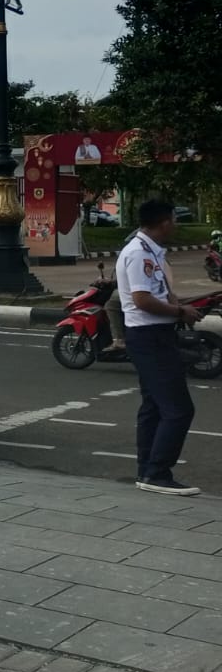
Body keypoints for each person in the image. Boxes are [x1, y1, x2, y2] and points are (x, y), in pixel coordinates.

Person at [116, 200, 202, 496]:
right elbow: (142, 299)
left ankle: (147, 471)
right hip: (149, 336)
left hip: (152, 334)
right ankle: (158, 472)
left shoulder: (149, 251)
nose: (175, 226)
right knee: (178, 409)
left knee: (153, 406)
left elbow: (155, 293)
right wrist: (179, 312)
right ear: (164, 222)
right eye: (174, 220)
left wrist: (178, 304)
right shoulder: (139, 253)